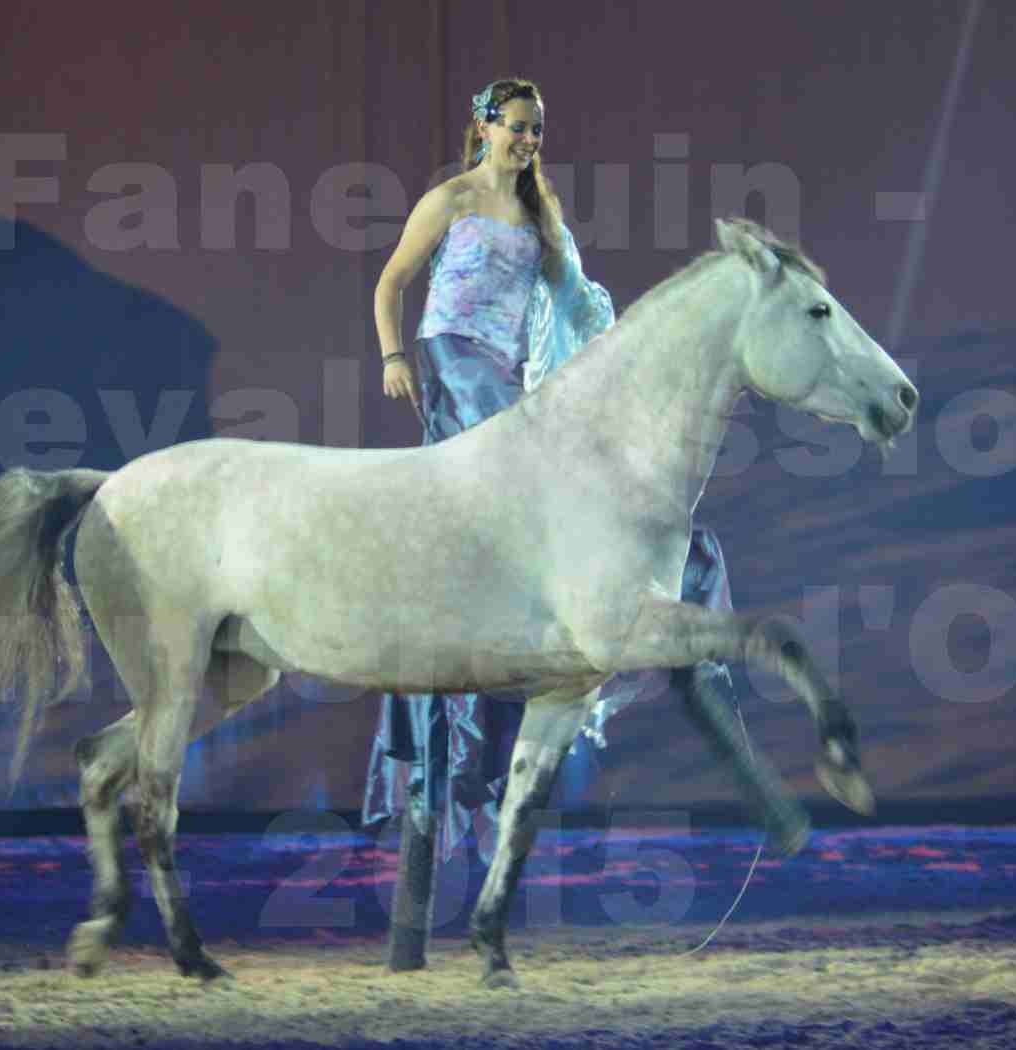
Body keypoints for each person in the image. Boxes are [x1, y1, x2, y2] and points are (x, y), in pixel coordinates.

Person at [367, 77, 778, 972]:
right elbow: (393, 282)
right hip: (450, 362)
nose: (526, 143)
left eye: (537, 131)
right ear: (481, 128)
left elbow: (575, 302)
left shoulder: (541, 213)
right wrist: (395, 354)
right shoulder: (451, 199)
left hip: (510, 384)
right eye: (515, 128)